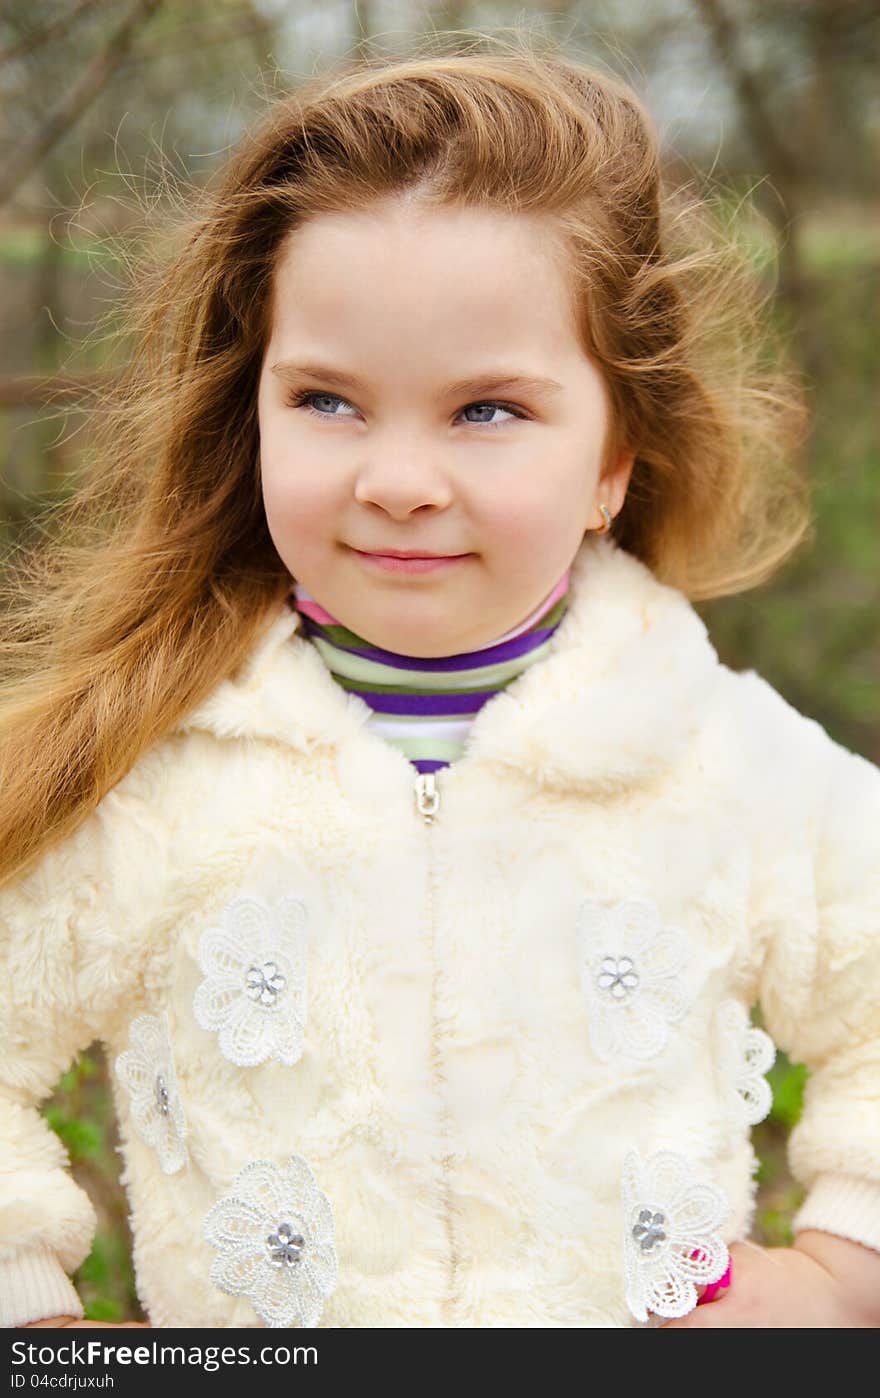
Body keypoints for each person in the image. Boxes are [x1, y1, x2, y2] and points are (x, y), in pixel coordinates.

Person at [1, 38, 878, 1331]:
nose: (398, 478)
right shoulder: (151, 768)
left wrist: (847, 1269)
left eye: (486, 412)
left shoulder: (723, 761)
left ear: (615, 460)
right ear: (252, 407)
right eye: (328, 400)